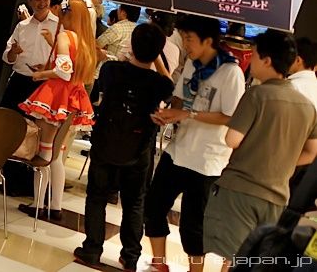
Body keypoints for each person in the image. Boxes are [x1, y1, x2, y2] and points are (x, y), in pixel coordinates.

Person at [203, 30, 317, 272]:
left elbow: (232, 139)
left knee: (232, 257)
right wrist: (282, 161)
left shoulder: (257, 94)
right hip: (277, 195)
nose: (250, 60)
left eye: (254, 55)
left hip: (241, 189)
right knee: (254, 260)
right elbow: (311, 152)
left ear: (267, 60)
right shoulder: (307, 107)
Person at [143, 15, 245, 272]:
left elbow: (231, 116)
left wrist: (188, 114)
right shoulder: (192, 63)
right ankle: (158, 264)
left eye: (189, 38)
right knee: (153, 208)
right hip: (178, 150)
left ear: (208, 40)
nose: (185, 43)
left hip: (207, 161)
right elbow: (179, 99)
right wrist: (168, 113)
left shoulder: (230, 72)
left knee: (193, 226)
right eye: (183, 37)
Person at [74, 24, 175, 271]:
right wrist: (157, 59)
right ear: (158, 51)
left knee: (97, 197)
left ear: (132, 45)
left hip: (105, 143)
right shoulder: (158, 83)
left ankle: (92, 250)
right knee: (135, 202)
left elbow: (104, 87)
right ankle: (130, 256)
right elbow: (169, 85)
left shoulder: (111, 70)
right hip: (139, 149)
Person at [16, 0, 96, 222]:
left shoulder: (65, 36)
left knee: (43, 153)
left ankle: (38, 204)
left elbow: (63, 71)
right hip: (73, 99)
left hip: (55, 97)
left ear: (67, 14)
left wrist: (42, 74)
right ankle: (55, 206)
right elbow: (71, 69)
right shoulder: (85, 42)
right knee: (57, 155)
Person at [0, 0, 61, 111]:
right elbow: (7, 58)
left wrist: (48, 67)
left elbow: (65, 57)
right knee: (6, 118)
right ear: (30, 1)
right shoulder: (22, 26)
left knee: (34, 122)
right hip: (18, 81)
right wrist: (13, 52)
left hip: (44, 84)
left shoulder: (59, 26)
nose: (42, 3)